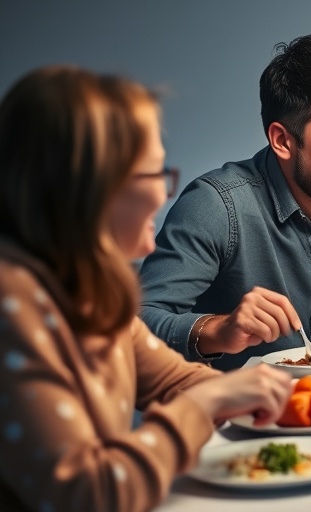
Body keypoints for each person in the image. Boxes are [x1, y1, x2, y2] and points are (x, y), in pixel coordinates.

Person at [0, 66, 292, 512]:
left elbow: (171, 379)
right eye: (153, 174)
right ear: (90, 188)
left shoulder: (89, 290)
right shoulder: (13, 303)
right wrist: (207, 401)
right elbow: (90, 494)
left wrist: (250, 391)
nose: (163, 194)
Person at [139, 34, 311, 370]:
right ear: (282, 140)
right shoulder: (216, 207)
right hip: (246, 413)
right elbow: (138, 323)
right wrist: (217, 329)